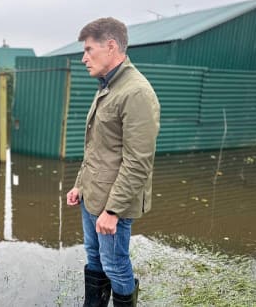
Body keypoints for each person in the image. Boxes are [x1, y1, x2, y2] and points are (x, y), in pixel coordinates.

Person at [66, 17, 160, 306]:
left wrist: (113, 210)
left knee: (115, 264)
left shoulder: (136, 93)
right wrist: (79, 184)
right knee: (94, 257)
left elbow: (138, 162)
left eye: (88, 50)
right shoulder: (108, 86)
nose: (84, 58)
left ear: (110, 47)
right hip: (92, 196)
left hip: (112, 203)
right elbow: (97, 146)